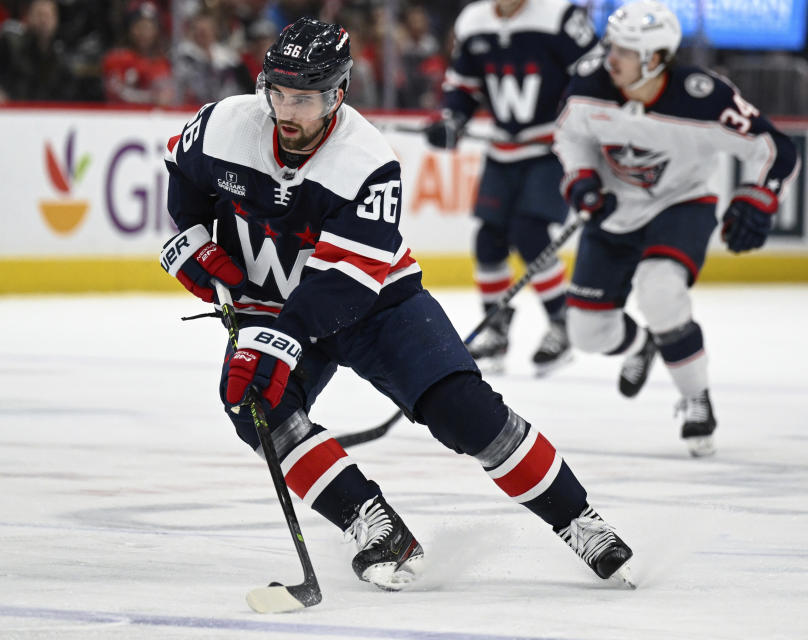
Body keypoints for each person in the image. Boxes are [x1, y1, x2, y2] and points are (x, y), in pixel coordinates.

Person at [159, 17, 633, 591]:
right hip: (271, 302)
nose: (287, 111)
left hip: (374, 302)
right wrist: (190, 241)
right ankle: (372, 523)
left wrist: (276, 341)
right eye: (277, 92)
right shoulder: (222, 126)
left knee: (464, 412)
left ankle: (580, 520)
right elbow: (183, 177)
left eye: (305, 98)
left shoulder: (366, 162)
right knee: (255, 406)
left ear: (337, 93)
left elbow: (341, 284)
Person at [553, 0, 800, 457]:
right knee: (587, 333)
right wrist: (583, 180)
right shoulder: (590, 82)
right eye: (612, 46)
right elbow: (570, 135)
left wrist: (758, 198)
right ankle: (644, 344)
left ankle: (695, 398)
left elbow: (774, 148)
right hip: (614, 212)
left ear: (654, 59)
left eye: (624, 51)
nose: (611, 58)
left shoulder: (704, 96)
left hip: (680, 203)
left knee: (660, 291)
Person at [424, 0, 598, 376]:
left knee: (529, 231)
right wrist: (452, 119)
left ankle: (561, 322)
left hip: (554, 148)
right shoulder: (473, 20)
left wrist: (588, 132)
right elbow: (463, 86)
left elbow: (594, 77)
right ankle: (496, 330)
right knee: (488, 240)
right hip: (503, 150)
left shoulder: (560, 16)